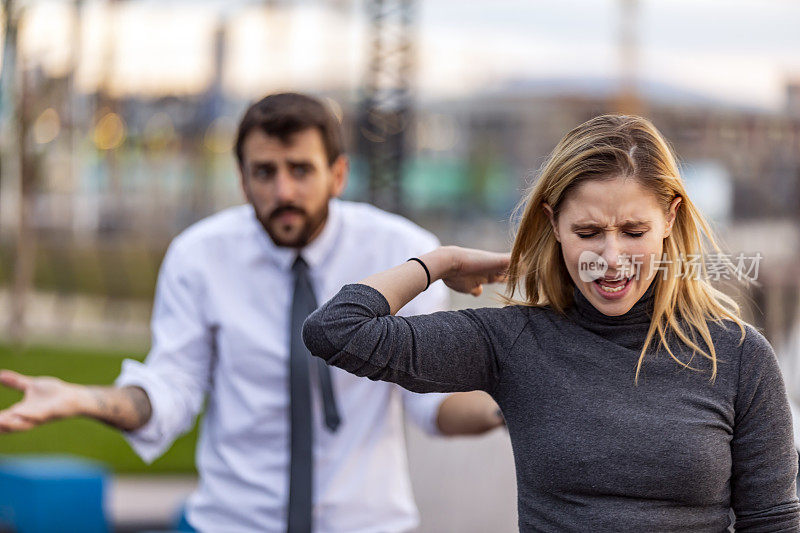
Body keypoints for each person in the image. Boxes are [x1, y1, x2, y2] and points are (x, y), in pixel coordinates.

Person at [0, 92, 504, 532]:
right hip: (230, 521)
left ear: (338, 174)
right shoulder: (198, 256)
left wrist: (512, 402)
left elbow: (430, 403)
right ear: (242, 181)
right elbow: (171, 390)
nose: (283, 192)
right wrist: (84, 399)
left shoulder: (404, 251)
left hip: (367, 523)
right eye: (264, 172)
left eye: (300, 169)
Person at [303, 114, 800, 531]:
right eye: (587, 232)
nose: (611, 259)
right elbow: (337, 330)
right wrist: (443, 262)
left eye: (633, 231)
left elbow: (773, 521)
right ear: (553, 223)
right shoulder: (513, 341)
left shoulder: (737, 356)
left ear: (670, 219)